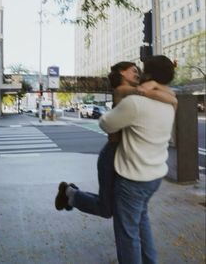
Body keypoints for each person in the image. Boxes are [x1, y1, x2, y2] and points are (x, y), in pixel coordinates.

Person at [55, 60, 177, 219]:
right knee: (107, 209)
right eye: (133, 70)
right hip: (112, 154)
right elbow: (169, 96)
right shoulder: (122, 90)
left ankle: (71, 194)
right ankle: (70, 193)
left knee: (112, 207)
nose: (137, 73)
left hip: (122, 152)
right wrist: (162, 90)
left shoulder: (134, 90)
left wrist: (156, 85)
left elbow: (166, 95)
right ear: (122, 72)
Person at [98, 55, 176, 264]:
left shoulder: (135, 103)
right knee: (142, 223)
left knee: (128, 234)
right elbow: (171, 97)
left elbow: (106, 124)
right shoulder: (169, 104)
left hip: (132, 179)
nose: (138, 73)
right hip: (155, 176)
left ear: (148, 75)